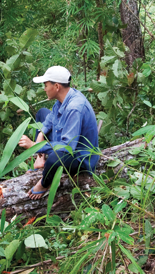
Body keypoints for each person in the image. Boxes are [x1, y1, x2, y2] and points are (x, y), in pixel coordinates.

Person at [18, 66, 100, 199]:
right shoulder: (63, 99)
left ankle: (44, 183)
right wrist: (39, 144)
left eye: (45, 85)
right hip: (63, 141)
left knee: (55, 158)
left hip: (78, 157)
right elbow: (49, 121)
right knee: (42, 113)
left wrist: (34, 146)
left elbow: (66, 147)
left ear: (56, 86)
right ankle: (41, 161)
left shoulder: (74, 108)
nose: (44, 89)